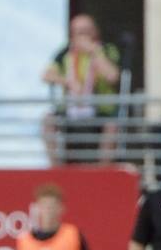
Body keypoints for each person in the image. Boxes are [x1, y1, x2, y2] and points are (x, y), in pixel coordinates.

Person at [41, 14, 122, 165]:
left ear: (95, 32)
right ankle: (56, 169)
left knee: (112, 125)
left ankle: (103, 172)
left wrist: (94, 52)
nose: (82, 36)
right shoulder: (65, 52)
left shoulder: (106, 50)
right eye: (78, 32)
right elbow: (46, 75)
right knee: (48, 120)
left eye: (86, 31)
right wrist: (67, 82)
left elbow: (113, 76)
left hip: (100, 108)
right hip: (71, 108)